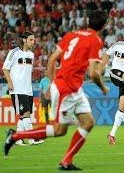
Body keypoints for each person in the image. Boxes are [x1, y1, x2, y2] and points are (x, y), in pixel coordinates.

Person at [4, 10, 109, 170]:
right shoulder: (95, 40)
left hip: (72, 88)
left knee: (88, 123)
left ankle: (66, 160)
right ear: (104, 25)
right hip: (67, 88)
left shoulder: (71, 35)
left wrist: (52, 83)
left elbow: (52, 59)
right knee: (59, 130)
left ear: (88, 21)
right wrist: (103, 87)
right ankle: (16, 135)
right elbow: (93, 73)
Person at [2, 31, 44, 146]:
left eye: (34, 39)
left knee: (23, 116)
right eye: (31, 39)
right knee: (26, 114)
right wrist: (10, 83)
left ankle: (17, 138)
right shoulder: (14, 52)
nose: (33, 42)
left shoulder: (31, 54)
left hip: (28, 89)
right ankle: (32, 138)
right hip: (17, 89)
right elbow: (5, 69)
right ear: (24, 40)